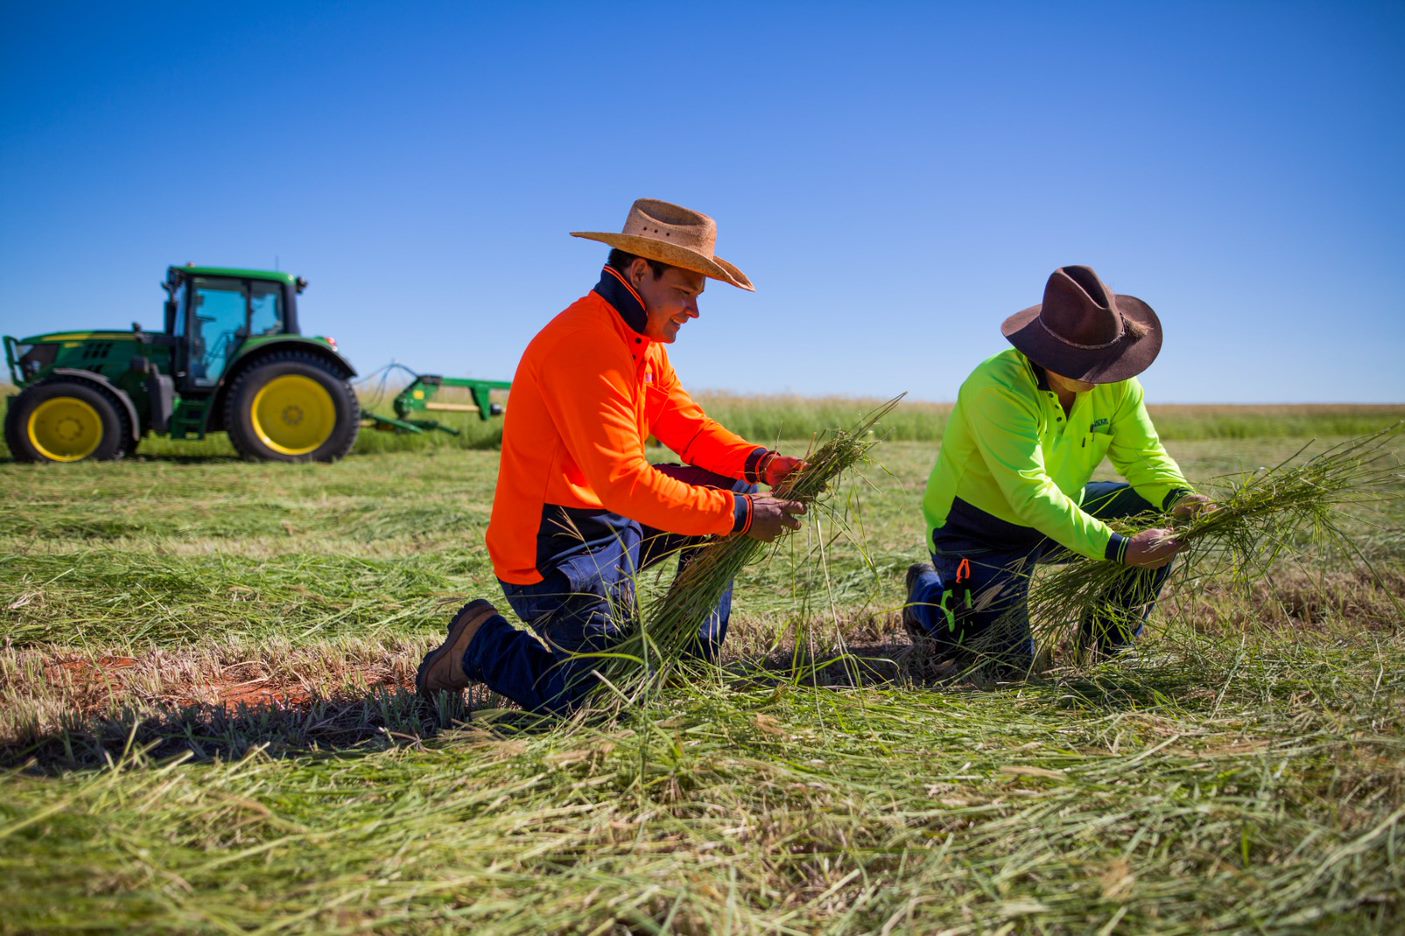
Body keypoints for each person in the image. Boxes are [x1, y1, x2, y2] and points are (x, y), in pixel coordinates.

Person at [417, 199, 808, 714]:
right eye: (685, 293)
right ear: (641, 271)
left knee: (731, 486)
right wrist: (740, 515)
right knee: (603, 700)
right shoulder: (586, 342)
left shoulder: (644, 344)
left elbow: (686, 427)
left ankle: (687, 668)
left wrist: (764, 465)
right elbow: (624, 482)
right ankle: (482, 643)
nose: (695, 311)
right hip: (555, 550)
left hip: (612, 524)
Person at [905, 265, 1213, 677]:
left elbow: (1145, 458)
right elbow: (1029, 492)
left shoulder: (1117, 385)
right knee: (1004, 668)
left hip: (1062, 513)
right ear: (1045, 350)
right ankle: (927, 595)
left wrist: (1182, 498)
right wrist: (1120, 549)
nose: (1100, 373)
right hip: (980, 532)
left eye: (1105, 360)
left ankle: (1107, 649)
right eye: (1085, 361)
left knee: (1159, 513)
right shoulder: (997, 387)